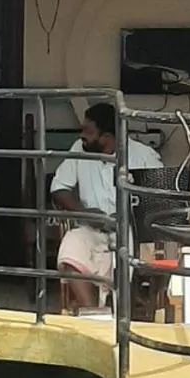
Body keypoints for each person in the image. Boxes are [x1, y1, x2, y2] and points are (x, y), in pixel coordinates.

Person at [53, 102, 162, 314]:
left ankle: (123, 315)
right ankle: (93, 314)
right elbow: (59, 188)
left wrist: (130, 215)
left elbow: (160, 201)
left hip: (132, 230)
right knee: (71, 243)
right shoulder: (79, 149)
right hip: (92, 228)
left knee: (126, 250)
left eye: (88, 131)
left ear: (108, 137)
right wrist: (85, 214)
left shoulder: (144, 156)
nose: (82, 135)